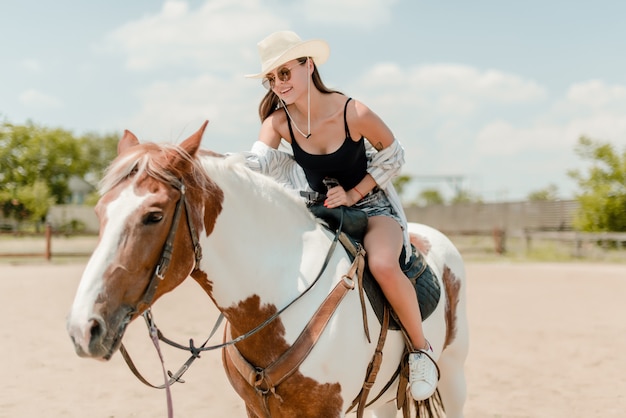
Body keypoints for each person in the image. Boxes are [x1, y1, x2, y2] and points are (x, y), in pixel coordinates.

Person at [245, 30, 438, 401]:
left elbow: (394, 156)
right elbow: (256, 163)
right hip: (320, 210)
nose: (278, 84)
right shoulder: (277, 122)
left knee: (382, 264)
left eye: (285, 72)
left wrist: (353, 192)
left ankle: (420, 350)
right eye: (271, 78)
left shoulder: (354, 112)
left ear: (309, 65)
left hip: (372, 207)